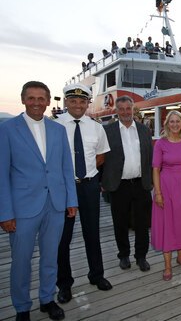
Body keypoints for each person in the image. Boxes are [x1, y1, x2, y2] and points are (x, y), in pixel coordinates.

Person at [0, 81, 78, 321]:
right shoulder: (7, 129)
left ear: (47, 101)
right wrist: (5, 213)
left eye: (41, 98)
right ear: (23, 99)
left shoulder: (57, 130)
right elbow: (2, 173)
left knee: (50, 256)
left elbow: (66, 168)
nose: (36, 103)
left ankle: (47, 299)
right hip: (22, 207)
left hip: (55, 204)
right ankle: (22, 307)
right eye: (31, 98)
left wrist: (71, 200)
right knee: (21, 261)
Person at [55, 84, 112, 305]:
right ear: (66, 102)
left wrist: (87, 174)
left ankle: (96, 275)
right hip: (64, 187)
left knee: (92, 232)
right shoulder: (56, 126)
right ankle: (64, 284)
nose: (78, 105)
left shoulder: (96, 127)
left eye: (82, 101)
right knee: (63, 237)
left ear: (87, 103)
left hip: (88, 186)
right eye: (73, 101)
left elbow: (100, 156)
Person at [101, 96, 153, 272]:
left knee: (142, 223)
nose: (125, 112)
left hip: (141, 184)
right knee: (120, 222)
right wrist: (103, 182)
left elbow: (149, 157)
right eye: (121, 109)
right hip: (119, 185)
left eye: (128, 108)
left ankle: (141, 256)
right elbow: (101, 158)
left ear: (133, 109)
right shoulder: (107, 131)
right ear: (116, 110)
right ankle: (123, 255)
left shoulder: (144, 130)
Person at [151, 111, 181, 281]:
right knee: (167, 225)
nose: (175, 124)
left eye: (178, 121)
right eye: (172, 121)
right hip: (166, 187)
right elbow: (155, 169)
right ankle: (167, 265)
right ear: (167, 124)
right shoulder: (160, 144)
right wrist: (158, 193)